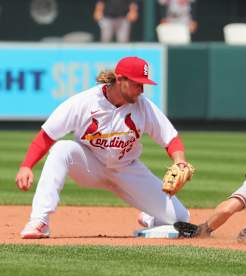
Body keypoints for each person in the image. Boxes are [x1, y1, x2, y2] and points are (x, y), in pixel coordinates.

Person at [16, 56, 192, 239]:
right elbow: (47, 135)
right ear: (120, 78)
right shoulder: (84, 101)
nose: (141, 89)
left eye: (143, 84)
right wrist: (26, 165)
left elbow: (170, 138)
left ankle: (151, 218)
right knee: (62, 149)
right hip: (89, 165)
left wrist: (179, 161)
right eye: (137, 83)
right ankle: (39, 221)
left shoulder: (144, 107)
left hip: (127, 169)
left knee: (181, 220)